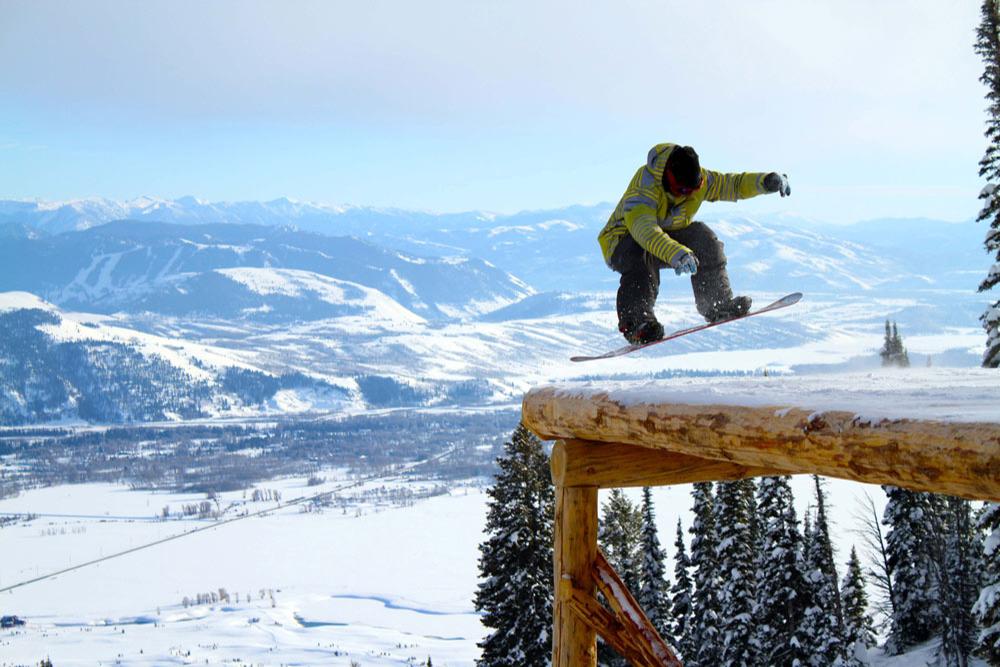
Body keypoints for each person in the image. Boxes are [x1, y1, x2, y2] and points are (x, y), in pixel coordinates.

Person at [598, 143, 791, 344]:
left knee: (703, 238)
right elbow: (645, 232)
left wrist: (765, 182)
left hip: (666, 234)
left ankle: (716, 304)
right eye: (682, 190)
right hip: (623, 241)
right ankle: (638, 323)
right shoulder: (644, 189)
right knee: (641, 260)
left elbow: (732, 185)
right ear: (669, 181)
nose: (688, 195)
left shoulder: (700, 181)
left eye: (693, 189)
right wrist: (677, 253)